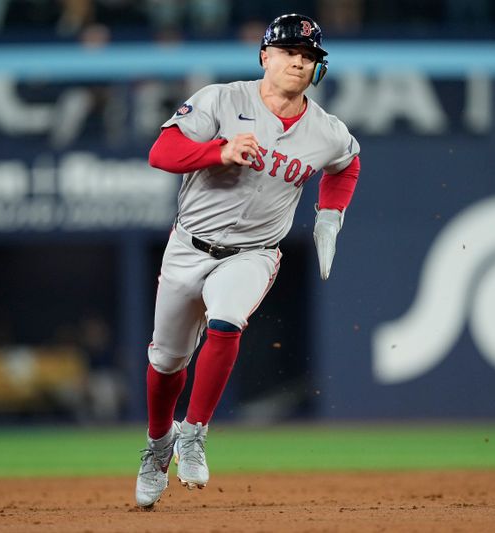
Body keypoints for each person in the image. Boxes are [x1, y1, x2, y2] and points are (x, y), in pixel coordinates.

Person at [134, 13, 361, 508]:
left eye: (307, 58)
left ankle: (193, 433)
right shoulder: (222, 99)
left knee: (227, 321)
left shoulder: (326, 130)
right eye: (287, 53)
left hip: (254, 252)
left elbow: (347, 164)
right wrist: (218, 150)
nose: (297, 64)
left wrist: (330, 216)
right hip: (190, 244)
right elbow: (162, 150)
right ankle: (157, 446)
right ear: (265, 56)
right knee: (165, 362)